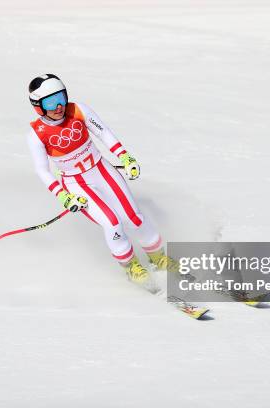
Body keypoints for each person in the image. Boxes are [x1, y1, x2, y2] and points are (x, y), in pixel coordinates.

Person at [26, 74, 174, 285]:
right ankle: (132, 267)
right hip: (76, 183)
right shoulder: (36, 135)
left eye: (61, 97)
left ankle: (159, 258)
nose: (59, 106)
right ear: (38, 106)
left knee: (133, 217)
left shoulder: (78, 110)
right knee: (112, 222)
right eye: (50, 102)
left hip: (101, 169)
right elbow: (42, 171)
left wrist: (125, 156)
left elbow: (104, 133)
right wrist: (64, 197)